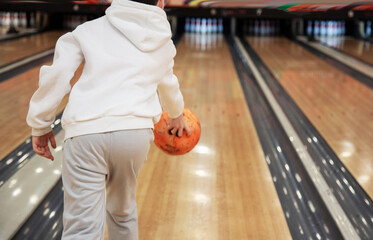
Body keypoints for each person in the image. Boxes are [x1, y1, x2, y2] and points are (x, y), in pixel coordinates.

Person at [26, 0, 190, 239]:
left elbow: (58, 75)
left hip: (85, 134)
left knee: (82, 228)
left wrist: (40, 124)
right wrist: (176, 115)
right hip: (135, 135)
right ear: (161, 4)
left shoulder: (88, 31)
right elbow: (168, 83)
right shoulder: (163, 43)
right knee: (123, 213)